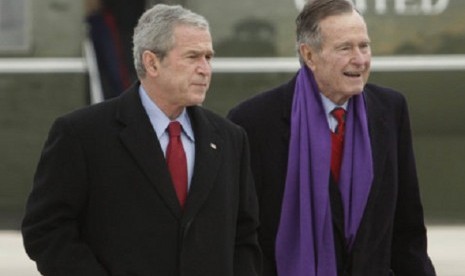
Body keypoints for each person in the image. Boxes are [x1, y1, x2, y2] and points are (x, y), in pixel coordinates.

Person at [22, 4, 261, 276]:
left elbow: (244, 237)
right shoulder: (82, 134)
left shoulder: (230, 139)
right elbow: (47, 230)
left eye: (208, 57)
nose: (205, 69)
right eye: (193, 56)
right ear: (151, 62)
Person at [228, 0, 436, 275]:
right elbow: (242, 235)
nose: (360, 59)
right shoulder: (252, 121)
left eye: (364, 45)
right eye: (345, 48)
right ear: (310, 55)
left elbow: (407, 229)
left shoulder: (390, 110)